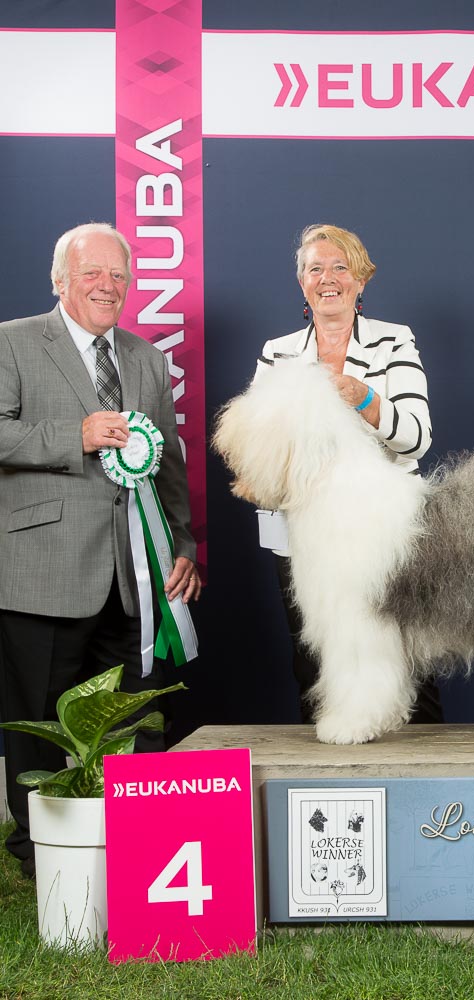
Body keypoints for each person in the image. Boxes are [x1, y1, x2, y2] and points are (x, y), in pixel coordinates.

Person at [0, 223, 201, 878]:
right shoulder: (13, 341)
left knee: (135, 717)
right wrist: (75, 436)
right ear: (60, 280)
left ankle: (140, 850)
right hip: (43, 570)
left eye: (118, 275)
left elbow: (167, 463)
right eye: (93, 273)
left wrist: (182, 541)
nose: (107, 286)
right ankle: (40, 856)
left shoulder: (146, 359)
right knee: (36, 722)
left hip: (135, 575)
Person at [255, 223, 442, 725]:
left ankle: (422, 762)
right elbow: (259, 453)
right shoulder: (277, 353)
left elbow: (416, 439)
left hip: (388, 531)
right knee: (316, 659)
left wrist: (365, 398)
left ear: (361, 279)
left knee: (407, 653)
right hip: (305, 533)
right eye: (315, 269)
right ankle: (333, 751)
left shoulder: (394, 341)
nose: (328, 278)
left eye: (341, 267)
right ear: (302, 282)